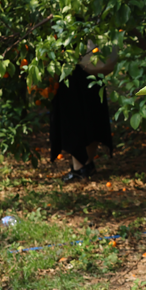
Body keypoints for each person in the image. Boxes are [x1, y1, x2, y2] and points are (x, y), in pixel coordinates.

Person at [50, 40, 117, 183]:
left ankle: (80, 168)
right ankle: (86, 164)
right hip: (89, 63)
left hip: (76, 64)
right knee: (91, 112)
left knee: (75, 113)